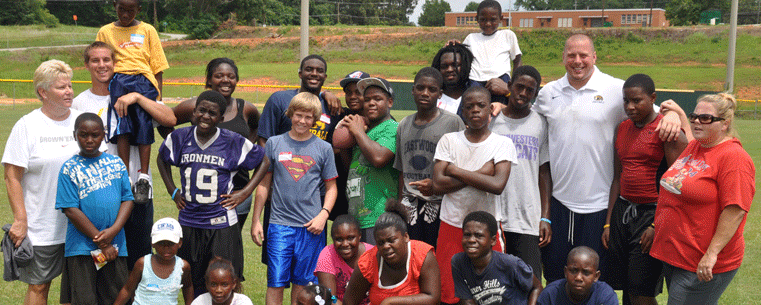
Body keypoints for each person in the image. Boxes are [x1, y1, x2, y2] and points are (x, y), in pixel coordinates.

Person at [532, 34, 681, 284]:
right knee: (558, 277)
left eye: (583, 56)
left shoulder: (614, 89)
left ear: (594, 57)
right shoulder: (549, 93)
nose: (577, 61)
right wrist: (500, 107)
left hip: (601, 205)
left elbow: (655, 114)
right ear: (563, 58)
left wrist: (674, 115)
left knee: (594, 281)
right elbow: (527, 117)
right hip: (560, 202)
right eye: (571, 55)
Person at [73, 41, 177, 271]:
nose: (101, 65)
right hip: (99, 190)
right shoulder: (80, 103)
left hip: (137, 190)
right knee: (103, 255)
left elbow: (169, 119)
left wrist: (138, 98)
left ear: (115, 63)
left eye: (106, 60)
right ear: (87, 65)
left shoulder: (135, 91)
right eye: (95, 60)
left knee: (138, 254)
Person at [157, 90, 266, 297]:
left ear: (221, 118)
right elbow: (162, 159)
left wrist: (244, 192)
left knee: (223, 279)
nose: (206, 116)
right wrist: (173, 191)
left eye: (212, 113)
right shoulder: (179, 137)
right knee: (193, 280)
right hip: (189, 221)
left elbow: (264, 161)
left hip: (221, 222)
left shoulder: (232, 140)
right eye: (202, 110)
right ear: (193, 112)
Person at [651, 93, 755, 305]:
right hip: (677, 255)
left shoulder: (734, 157)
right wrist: (677, 112)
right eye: (694, 116)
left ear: (725, 123)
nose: (697, 121)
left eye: (706, 118)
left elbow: (735, 210)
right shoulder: (697, 146)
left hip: (701, 262)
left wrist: (711, 254)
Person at [601, 74, 688, 305]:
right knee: (626, 287)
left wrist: (655, 224)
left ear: (652, 98)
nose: (630, 107)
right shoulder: (622, 128)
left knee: (642, 290)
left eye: (637, 101)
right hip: (623, 212)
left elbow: (679, 187)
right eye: (626, 101)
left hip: (652, 213)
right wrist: (610, 222)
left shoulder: (667, 131)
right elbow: (618, 178)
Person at [2, 59, 82, 305]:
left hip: (81, 223)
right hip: (43, 225)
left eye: (69, 86)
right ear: (42, 92)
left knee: (78, 288)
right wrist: (21, 220)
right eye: (61, 87)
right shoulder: (27, 125)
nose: (68, 91)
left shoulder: (83, 121)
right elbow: (12, 176)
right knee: (39, 286)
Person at [250, 92, 339, 305]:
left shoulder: (324, 148)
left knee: (303, 284)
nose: (302, 121)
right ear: (290, 114)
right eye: (298, 115)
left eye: (309, 117)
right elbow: (264, 184)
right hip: (280, 225)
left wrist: (323, 215)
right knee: (276, 282)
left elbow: (332, 188)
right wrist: (256, 220)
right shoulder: (274, 143)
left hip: (311, 227)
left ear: (315, 119)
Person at [432, 86, 516, 304]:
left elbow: (497, 185)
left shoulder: (502, 143)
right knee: (449, 292)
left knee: (491, 292)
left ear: (490, 109)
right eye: (469, 107)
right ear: (463, 112)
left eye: (481, 106)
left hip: (487, 227)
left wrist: (455, 169)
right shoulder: (449, 140)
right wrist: (484, 172)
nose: (475, 110)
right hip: (452, 224)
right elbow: (439, 184)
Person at [165, 57, 261, 232]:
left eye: (231, 76)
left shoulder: (245, 108)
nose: (225, 80)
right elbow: (166, 122)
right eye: (219, 75)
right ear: (209, 80)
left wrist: (245, 191)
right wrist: (181, 149)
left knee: (228, 250)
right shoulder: (195, 107)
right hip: (201, 198)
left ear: (236, 80)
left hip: (236, 193)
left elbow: (256, 127)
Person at [55, 113, 134, 305]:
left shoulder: (116, 164)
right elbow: (71, 210)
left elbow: (127, 199)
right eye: (83, 135)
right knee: (84, 299)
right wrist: (102, 243)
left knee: (116, 298)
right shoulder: (69, 168)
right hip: (81, 249)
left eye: (95, 135)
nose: (89, 140)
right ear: (75, 135)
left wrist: (114, 231)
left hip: (116, 246)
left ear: (103, 135)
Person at [97, 0, 170, 201]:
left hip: (143, 79)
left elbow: (158, 67)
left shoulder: (147, 30)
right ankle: (125, 177)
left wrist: (158, 100)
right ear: (115, 6)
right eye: (122, 9)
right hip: (119, 79)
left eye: (131, 10)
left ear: (138, 9)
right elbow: (101, 60)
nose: (126, 14)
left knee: (144, 125)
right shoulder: (105, 31)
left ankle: (143, 178)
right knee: (122, 124)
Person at [489, 65, 550, 280]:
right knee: (495, 285)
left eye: (530, 90)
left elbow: (543, 173)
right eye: (519, 87)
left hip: (527, 218)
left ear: (535, 93)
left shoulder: (540, 123)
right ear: (509, 86)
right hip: (494, 216)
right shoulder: (492, 119)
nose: (523, 93)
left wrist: (546, 217)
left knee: (531, 283)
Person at [394, 67, 465, 249]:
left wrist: (439, 186)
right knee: (413, 257)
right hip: (410, 204)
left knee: (437, 256)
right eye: (420, 88)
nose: (425, 93)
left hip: (441, 203)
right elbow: (402, 171)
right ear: (413, 90)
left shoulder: (453, 122)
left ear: (440, 94)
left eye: (432, 89)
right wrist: (400, 204)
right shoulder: (404, 125)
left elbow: (463, 166)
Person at [343, 200, 440, 305]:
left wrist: (390, 301)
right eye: (381, 243)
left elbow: (433, 298)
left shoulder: (422, 255)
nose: (386, 246)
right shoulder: (368, 262)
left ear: (406, 237)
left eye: (391, 240)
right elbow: (349, 301)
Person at [342, 77, 399, 245]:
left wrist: (358, 132)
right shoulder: (366, 132)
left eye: (377, 99)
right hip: (357, 216)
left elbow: (379, 158)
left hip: (379, 217)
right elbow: (351, 169)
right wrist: (346, 142)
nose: (371, 103)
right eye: (367, 100)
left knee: (376, 269)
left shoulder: (392, 127)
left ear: (389, 102)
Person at [452, 211, 542, 305]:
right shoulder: (459, 262)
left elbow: (537, 287)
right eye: (467, 235)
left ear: (493, 240)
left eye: (479, 236)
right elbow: (467, 301)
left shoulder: (510, 263)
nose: (471, 240)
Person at [114, 217, 193, 305]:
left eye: (171, 243)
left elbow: (188, 287)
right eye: (161, 243)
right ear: (153, 243)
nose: (166, 247)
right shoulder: (143, 264)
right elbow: (127, 289)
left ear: (180, 243)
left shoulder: (183, 266)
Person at [457, 0, 522, 105]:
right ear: (477, 19)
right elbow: (459, 58)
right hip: (476, 80)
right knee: (470, 113)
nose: (488, 24)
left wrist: (514, 85)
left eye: (493, 20)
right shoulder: (471, 38)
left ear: (501, 19)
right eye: (483, 20)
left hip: (501, 80)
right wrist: (453, 45)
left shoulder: (507, 35)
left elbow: (517, 61)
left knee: (500, 113)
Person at [332, 71, 371, 220]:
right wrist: (326, 94)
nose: (353, 96)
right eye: (348, 92)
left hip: (372, 192)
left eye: (358, 92)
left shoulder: (379, 120)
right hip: (348, 191)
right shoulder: (344, 116)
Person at [314, 215, 373, 305]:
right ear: (332, 239)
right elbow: (330, 298)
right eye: (339, 239)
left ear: (359, 236)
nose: (345, 244)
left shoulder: (372, 255)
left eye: (350, 238)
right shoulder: (327, 255)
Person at [537, 246, 618, 305]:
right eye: (573, 271)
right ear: (565, 272)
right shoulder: (550, 294)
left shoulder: (605, 295)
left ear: (596, 276)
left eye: (586, 273)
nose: (578, 278)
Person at [431, 42, 474, 117]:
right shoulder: (433, 99)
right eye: (444, 66)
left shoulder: (476, 95)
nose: (449, 70)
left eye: (455, 65)